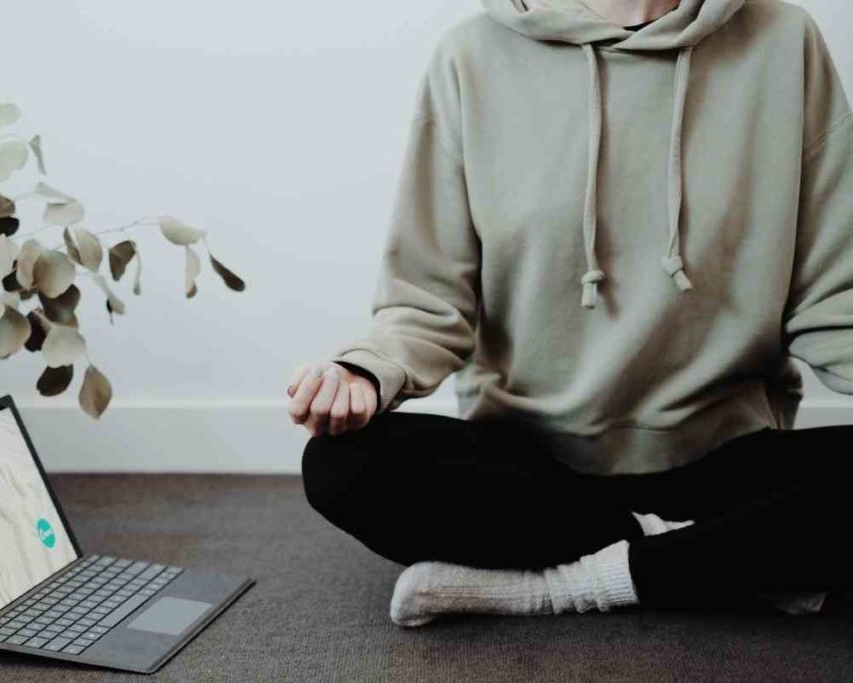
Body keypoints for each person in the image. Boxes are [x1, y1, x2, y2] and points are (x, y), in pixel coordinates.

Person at [287, 0, 853, 627]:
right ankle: (718, 555)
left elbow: (835, 291)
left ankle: (563, 586)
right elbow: (428, 296)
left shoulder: (783, 40)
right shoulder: (471, 57)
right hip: (533, 470)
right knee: (342, 466)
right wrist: (366, 372)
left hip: (727, 457)